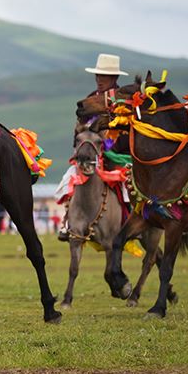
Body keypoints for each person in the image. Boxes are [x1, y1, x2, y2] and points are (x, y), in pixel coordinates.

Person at [56, 54, 129, 242]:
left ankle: (130, 222)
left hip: (116, 156)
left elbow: (125, 131)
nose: (99, 80)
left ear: (114, 78)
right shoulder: (90, 99)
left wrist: (107, 143)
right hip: (88, 154)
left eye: (103, 76)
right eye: (97, 76)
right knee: (68, 181)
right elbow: (79, 125)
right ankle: (68, 223)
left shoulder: (123, 101)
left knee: (126, 188)